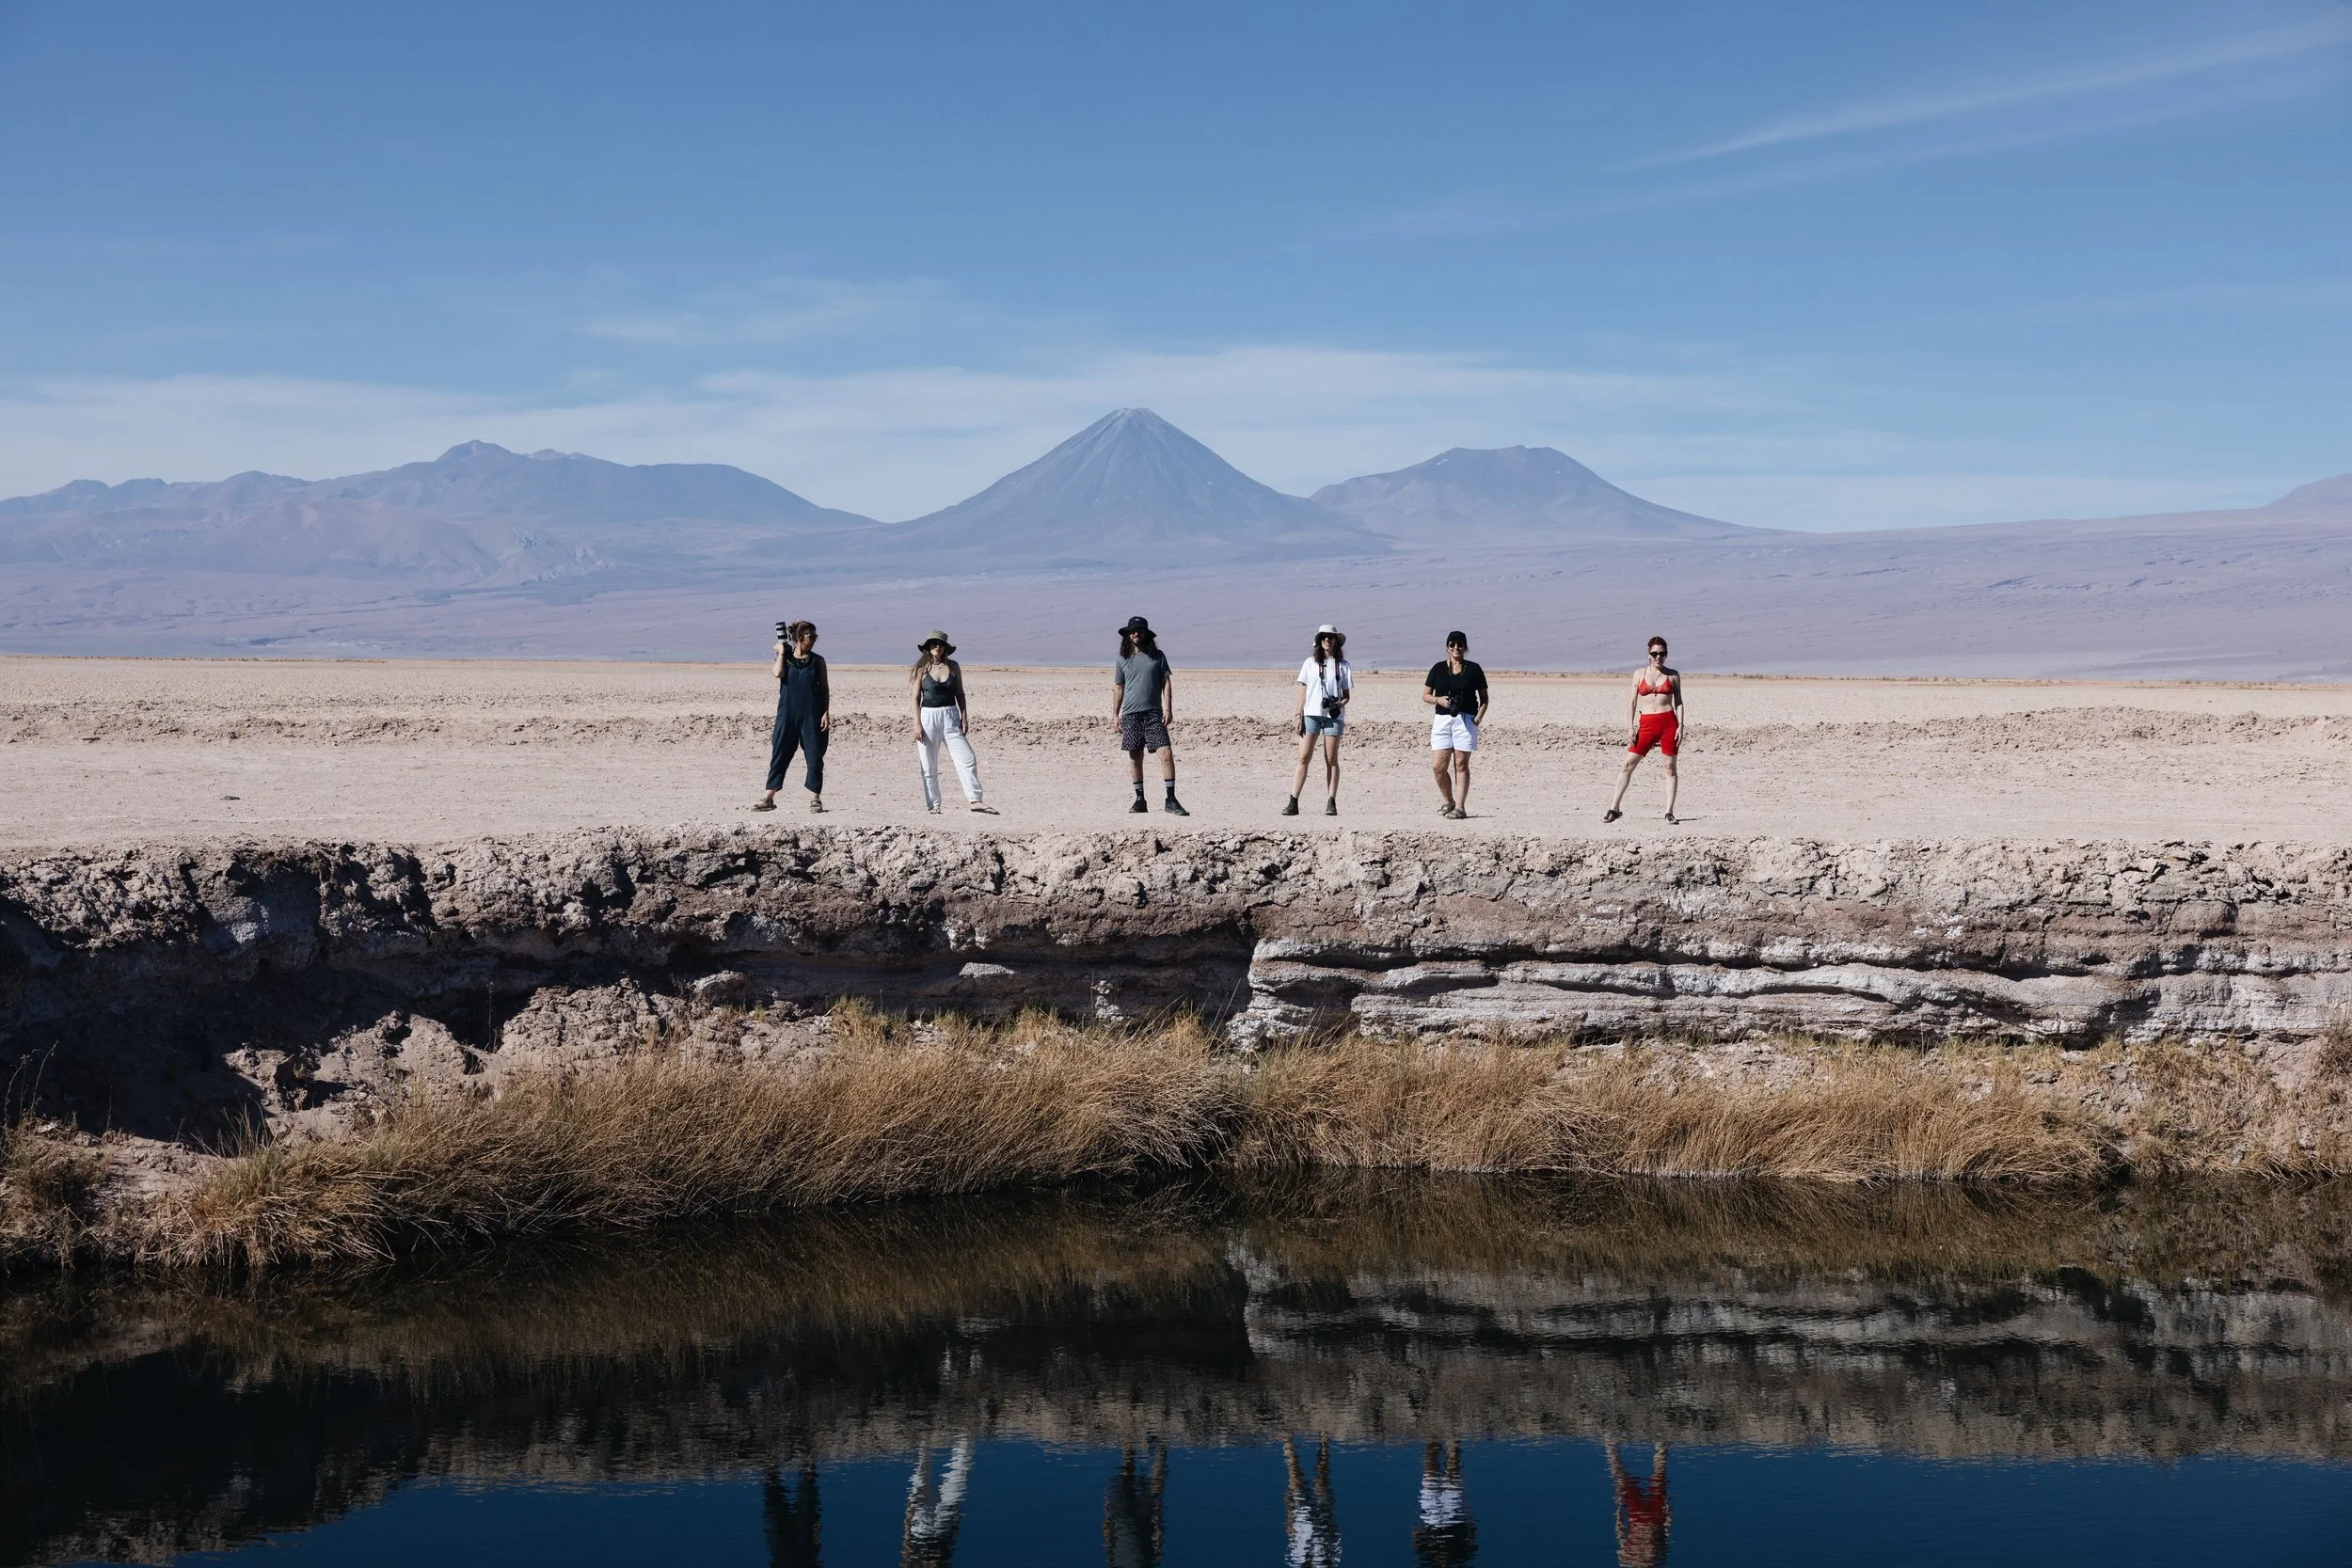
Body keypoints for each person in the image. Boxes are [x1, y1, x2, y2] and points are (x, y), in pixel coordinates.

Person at [910, 630, 997, 816]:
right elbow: (915, 697)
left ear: (946, 648)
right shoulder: (921, 669)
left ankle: (975, 800)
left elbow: (960, 693)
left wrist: (964, 716)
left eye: (941, 644)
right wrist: (917, 723)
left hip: (951, 716)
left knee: (967, 758)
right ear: (928, 646)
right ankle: (934, 805)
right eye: (934, 643)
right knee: (928, 764)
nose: (937, 647)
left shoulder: (954, 667)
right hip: (928, 717)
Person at [1603, 636, 1684, 825]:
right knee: (1628, 764)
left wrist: (1681, 725)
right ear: (1648, 655)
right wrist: (1630, 727)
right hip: (1646, 724)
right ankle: (1614, 808)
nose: (1658, 657)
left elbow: (1679, 702)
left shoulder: (1673, 675)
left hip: (1668, 724)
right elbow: (1632, 702)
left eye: (1662, 653)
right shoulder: (1639, 674)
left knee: (1670, 767)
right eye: (1655, 653)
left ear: (1666, 655)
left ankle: (1669, 811)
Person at [1113, 615, 1187, 816]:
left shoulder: (1157, 656)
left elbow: (1166, 683)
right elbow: (1119, 688)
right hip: (1131, 715)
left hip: (1154, 714)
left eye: (1140, 630)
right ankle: (1140, 800)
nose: (1136, 633)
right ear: (1128, 635)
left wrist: (1168, 709)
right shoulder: (1123, 659)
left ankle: (1170, 800)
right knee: (1135, 757)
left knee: (1166, 753)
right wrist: (1115, 714)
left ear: (1146, 634)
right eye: (1133, 631)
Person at [755, 620, 830, 814]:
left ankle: (815, 798)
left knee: (814, 757)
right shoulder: (786, 659)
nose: (814, 640)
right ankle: (769, 797)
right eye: (810, 637)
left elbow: (824, 689)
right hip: (787, 714)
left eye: (815, 637)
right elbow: (777, 673)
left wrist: (825, 712)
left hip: (812, 715)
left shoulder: (817, 661)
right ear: (798, 638)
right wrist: (781, 652)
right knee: (780, 753)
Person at [1284, 625, 1352, 816]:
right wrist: (1298, 715)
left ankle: (1332, 801)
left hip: (1333, 716)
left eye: (1330, 637)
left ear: (1336, 641)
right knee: (1303, 757)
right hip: (1311, 713)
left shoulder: (1343, 665)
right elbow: (1303, 690)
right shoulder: (1309, 663)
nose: (1327, 640)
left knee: (1331, 759)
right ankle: (1293, 801)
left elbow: (1347, 694)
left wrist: (1340, 703)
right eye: (1324, 637)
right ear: (1319, 640)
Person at [1422, 630, 1488, 819]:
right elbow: (1425, 695)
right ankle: (1448, 800)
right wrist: (1438, 700)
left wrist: (1478, 718)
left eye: (1460, 644)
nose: (1456, 648)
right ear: (1447, 647)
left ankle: (1460, 807)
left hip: (1466, 720)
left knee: (1461, 764)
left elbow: (1484, 699)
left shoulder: (1474, 669)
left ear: (1465, 647)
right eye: (1452, 644)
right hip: (1443, 720)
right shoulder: (1438, 669)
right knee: (1438, 766)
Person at [901, 1437, 974, 1567]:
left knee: (924, 1473)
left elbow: (906, 1550)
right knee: (926, 1473)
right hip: (934, 1529)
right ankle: (963, 1436)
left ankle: (926, 1438)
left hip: (927, 1529)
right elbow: (906, 1550)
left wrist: (909, 1513)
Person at [1605, 1439, 1670, 1568]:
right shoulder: (1656, 1558)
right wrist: (1668, 1513)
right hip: (1652, 1519)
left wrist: (1619, 1510)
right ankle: (1660, 1443)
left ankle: (1611, 1445)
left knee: (1622, 1481)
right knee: (1658, 1479)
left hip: (1640, 1519)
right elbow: (1665, 1534)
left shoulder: (1627, 1558)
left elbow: (1621, 1533)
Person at [1412, 1440, 1477, 1567]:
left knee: (1432, 1469)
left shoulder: (1428, 1560)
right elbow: (1472, 1539)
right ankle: (1449, 1436)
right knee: (1452, 1469)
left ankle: (1435, 1435)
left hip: (1433, 1518)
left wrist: (1426, 1537)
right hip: (1453, 1517)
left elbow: (1415, 1539)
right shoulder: (1460, 1558)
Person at [1103, 1442, 1168, 1568]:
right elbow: (1157, 1547)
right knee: (1153, 1487)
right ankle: (1161, 1446)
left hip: (1122, 1518)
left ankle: (1132, 1436)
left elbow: (1108, 1542)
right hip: (1138, 1522)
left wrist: (1107, 1515)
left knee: (1128, 1473)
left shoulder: (1114, 1565)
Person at [1282, 1434, 1341, 1568]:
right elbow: (1334, 1539)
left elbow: (1292, 1537)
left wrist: (1289, 1510)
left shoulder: (1298, 1563)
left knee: (1294, 1473)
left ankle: (1287, 1435)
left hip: (1302, 1520)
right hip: (1323, 1521)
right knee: (1321, 1478)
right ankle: (1324, 1438)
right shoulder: (1330, 1563)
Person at [762, 1463, 821, 1568]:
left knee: (774, 1500)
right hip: (801, 1552)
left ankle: (771, 1466)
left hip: (789, 1554)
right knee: (807, 1504)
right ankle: (772, 1467)